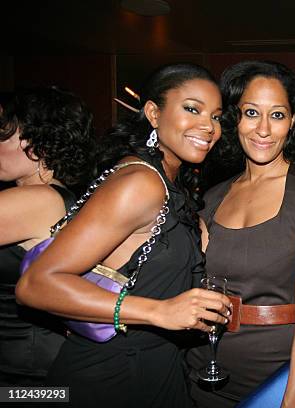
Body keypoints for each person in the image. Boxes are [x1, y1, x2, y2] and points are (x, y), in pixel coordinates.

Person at [16, 63, 232, 408]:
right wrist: (158, 311)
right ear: (153, 113)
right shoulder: (141, 183)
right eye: (192, 108)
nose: (208, 126)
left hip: (154, 367)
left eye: (217, 116)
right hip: (109, 377)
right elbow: (35, 285)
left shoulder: (171, 183)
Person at [186, 60, 295, 407]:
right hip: (201, 369)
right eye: (252, 113)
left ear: (293, 121)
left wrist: (293, 400)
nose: (263, 130)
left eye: (277, 115)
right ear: (234, 119)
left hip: (271, 378)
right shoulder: (213, 196)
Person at [0, 87, 95, 385]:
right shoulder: (57, 195)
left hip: (27, 375)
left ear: (37, 143)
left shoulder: (38, 200)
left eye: (3, 134)